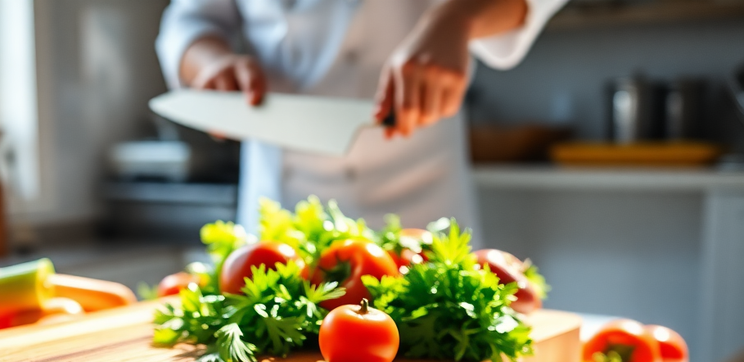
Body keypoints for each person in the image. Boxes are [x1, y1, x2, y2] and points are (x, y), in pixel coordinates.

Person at [156, 0, 567, 233]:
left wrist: (457, 18)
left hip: (423, 205)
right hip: (282, 209)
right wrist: (210, 63)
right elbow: (191, 18)